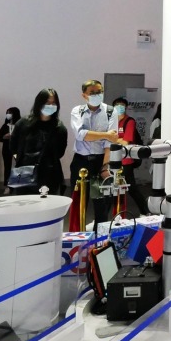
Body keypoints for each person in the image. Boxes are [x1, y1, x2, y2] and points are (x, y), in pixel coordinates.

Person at [69, 80, 120, 230]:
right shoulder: (77, 111)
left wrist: (105, 166)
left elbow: (110, 142)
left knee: (102, 205)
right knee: (79, 203)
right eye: (92, 93)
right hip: (81, 162)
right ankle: (78, 236)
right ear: (84, 95)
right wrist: (106, 134)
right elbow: (81, 135)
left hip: (101, 161)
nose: (96, 95)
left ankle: (101, 237)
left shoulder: (110, 111)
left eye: (99, 92)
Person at [9, 89, 69, 195]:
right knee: (23, 202)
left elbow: (60, 152)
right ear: (39, 103)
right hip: (24, 170)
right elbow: (13, 145)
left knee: (46, 202)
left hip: (48, 173)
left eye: (53, 103)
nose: (51, 106)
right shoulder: (23, 123)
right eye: (47, 103)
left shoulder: (59, 127)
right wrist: (19, 158)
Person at [108, 97, 150, 216]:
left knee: (131, 188)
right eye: (117, 105)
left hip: (125, 161)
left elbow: (126, 142)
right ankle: (110, 216)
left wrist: (111, 138)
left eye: (122, 105)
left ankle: (145, 212)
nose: (119, 107)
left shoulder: (129, 121)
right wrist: (115, 139)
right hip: (112, 159)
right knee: (112, 189)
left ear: (126, 107)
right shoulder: (111, 121)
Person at [0, 106, 21, 184]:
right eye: (7, 113)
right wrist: (5, 136)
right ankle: (7, 184)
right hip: (6, 149)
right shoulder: (5, 125)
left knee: (19, 165)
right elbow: (0, 138)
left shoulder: (20, 125)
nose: (8, 114)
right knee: (7, 166)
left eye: (10, 113)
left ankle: (19, 182)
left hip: (17, 150)